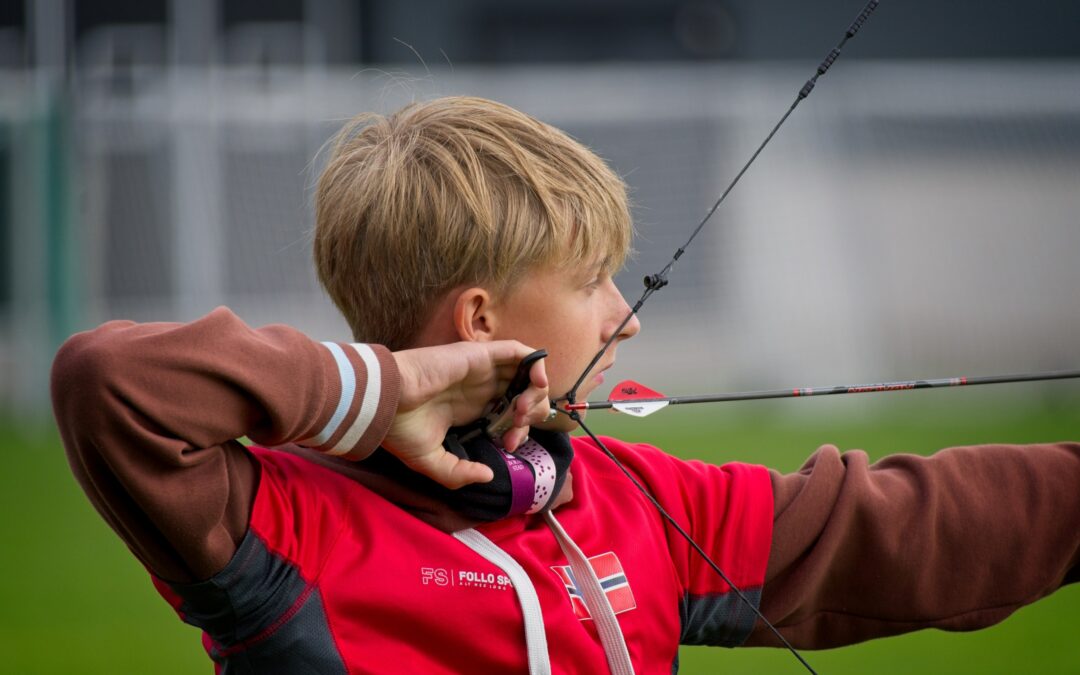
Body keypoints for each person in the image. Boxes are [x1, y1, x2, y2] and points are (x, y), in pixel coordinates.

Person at [51, 96, 1079, 674]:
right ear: (480, 323)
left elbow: (904, 528)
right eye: (592, 281)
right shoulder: (284, 523)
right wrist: (394, 387)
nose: (625, 316)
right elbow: (112, 384)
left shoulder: (631, 500)